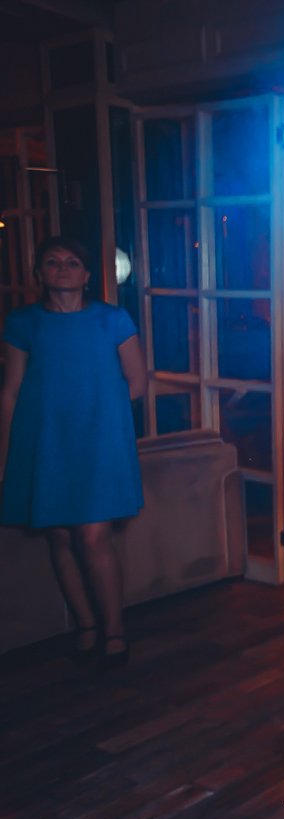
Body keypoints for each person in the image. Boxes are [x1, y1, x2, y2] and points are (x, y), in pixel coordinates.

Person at [0, 236, 146, 668]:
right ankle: (86, 626)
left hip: (97, 443)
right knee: (60, 536)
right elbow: (11, 392)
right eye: (52, 261)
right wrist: (4, 458)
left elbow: (137, 383)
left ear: (86, 275)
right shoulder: (23, 323)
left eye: (71, 262)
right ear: (39, 274)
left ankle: (114, 630)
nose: (62, 268)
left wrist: (101, 418)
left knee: (93, 536)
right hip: (44, 443)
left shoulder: (113, 319)